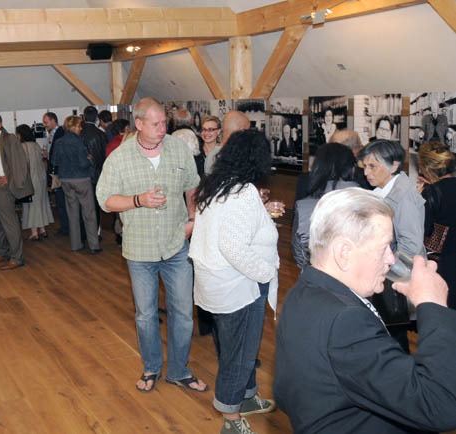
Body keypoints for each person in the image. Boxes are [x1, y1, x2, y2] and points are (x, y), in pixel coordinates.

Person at [274, 187, 456, 434]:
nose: (391, 259)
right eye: (385, 247)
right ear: (344, 253)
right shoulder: (345, 320)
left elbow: (285, 393)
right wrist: (432, 304)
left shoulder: (303, 290)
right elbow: (439, 405)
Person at [96, 97, 205, 394]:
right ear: (139, 124)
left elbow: (192, 186)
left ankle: (179, 370)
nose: (162, 129)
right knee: (145, 316)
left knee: (184, 313)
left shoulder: (178, 149)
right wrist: (138, 200)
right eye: (155, 124)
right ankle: (151, 368)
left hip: (176, 245)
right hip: (140, 250)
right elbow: (105, 200)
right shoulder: (119, 158)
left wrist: (192, 219)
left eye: (164, 123)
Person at [190, 130, 278, 434]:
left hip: (214, 283)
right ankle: (231, 417)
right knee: (238, 354)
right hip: (239, 285)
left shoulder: (216, 185)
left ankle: (248, 397)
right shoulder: (243, 192)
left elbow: (227, 230)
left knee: (237, 346)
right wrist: (265, 272)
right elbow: (232, 246)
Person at [359, 140, 425, 351]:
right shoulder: (384, 191)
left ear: (394, 165)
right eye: (365, 166)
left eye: (372, 166)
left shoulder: (404, 197)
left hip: (396, 280)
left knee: (394, 338)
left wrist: (385, 275)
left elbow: (411, 246)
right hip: (387, 276)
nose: (366, 172)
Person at [0, 112, 33, 270]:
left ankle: (17, 258)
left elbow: (20, 162)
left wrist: (10, 179)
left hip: (2, 187)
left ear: (0, 124)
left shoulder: (9, 139)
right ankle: (2, 252)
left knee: (9, 223)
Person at [292, 143, 358, 270]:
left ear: (317, 168)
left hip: (318, 276)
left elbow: (299, 251)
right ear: (352, 168)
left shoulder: (304, 206)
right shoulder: (372, 202)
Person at [51, 116, 100, 253]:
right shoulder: (78, 141)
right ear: (73, 127)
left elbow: (54, 161)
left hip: (65, 180)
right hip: (81, 179)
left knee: (72, 213)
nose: (81, 128)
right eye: (79, 126)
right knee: (89, 213)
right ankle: (94, 245)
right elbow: (83, 163)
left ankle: (75, 244)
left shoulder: (59, 142)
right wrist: (89, 159)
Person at [417, 142, 456, 308]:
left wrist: (418, 200)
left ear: (426, 168)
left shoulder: (432, 192)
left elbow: (424, 230)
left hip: (444, 263)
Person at [16, 124, 53, 241]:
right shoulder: (36, 145)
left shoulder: (22, 147)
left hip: (30, 180)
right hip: (41, 178)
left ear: (20, 135)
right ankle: (43, 230)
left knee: (31, 205)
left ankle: (34, 232)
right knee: (41, 203)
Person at [81, 106, 108, 232]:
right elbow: (105, 157)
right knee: (95, 205)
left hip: (81, 174)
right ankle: (96, 232)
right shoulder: (101, 135)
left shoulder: (78, 133)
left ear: (84, 116)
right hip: (97, 174)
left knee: (82, 204)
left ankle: (83, 232)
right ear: (96, 118)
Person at [43, 112, 69, 236]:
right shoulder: (54, 134)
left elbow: (58, 155)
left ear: (53, 121)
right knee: (60, 202)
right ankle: (65, 226)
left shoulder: (60, 133)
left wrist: (50, 156)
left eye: (46, 122)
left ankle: (66, 227)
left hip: (60, 173)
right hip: (59, 172)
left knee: (62, 202)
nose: (45, 125)